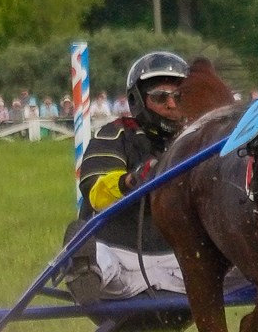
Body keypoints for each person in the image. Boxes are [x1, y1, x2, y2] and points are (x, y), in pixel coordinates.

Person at [67, 51, 192, 305]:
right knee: (98, 255)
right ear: (138, 100)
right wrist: (131, 181)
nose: (171, 104)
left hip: (186, 265)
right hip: (122, 261)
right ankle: (84, 271)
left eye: (178, 97)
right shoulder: (116, 134)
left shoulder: (196, 138)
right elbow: (95, 194)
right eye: (161, 97)